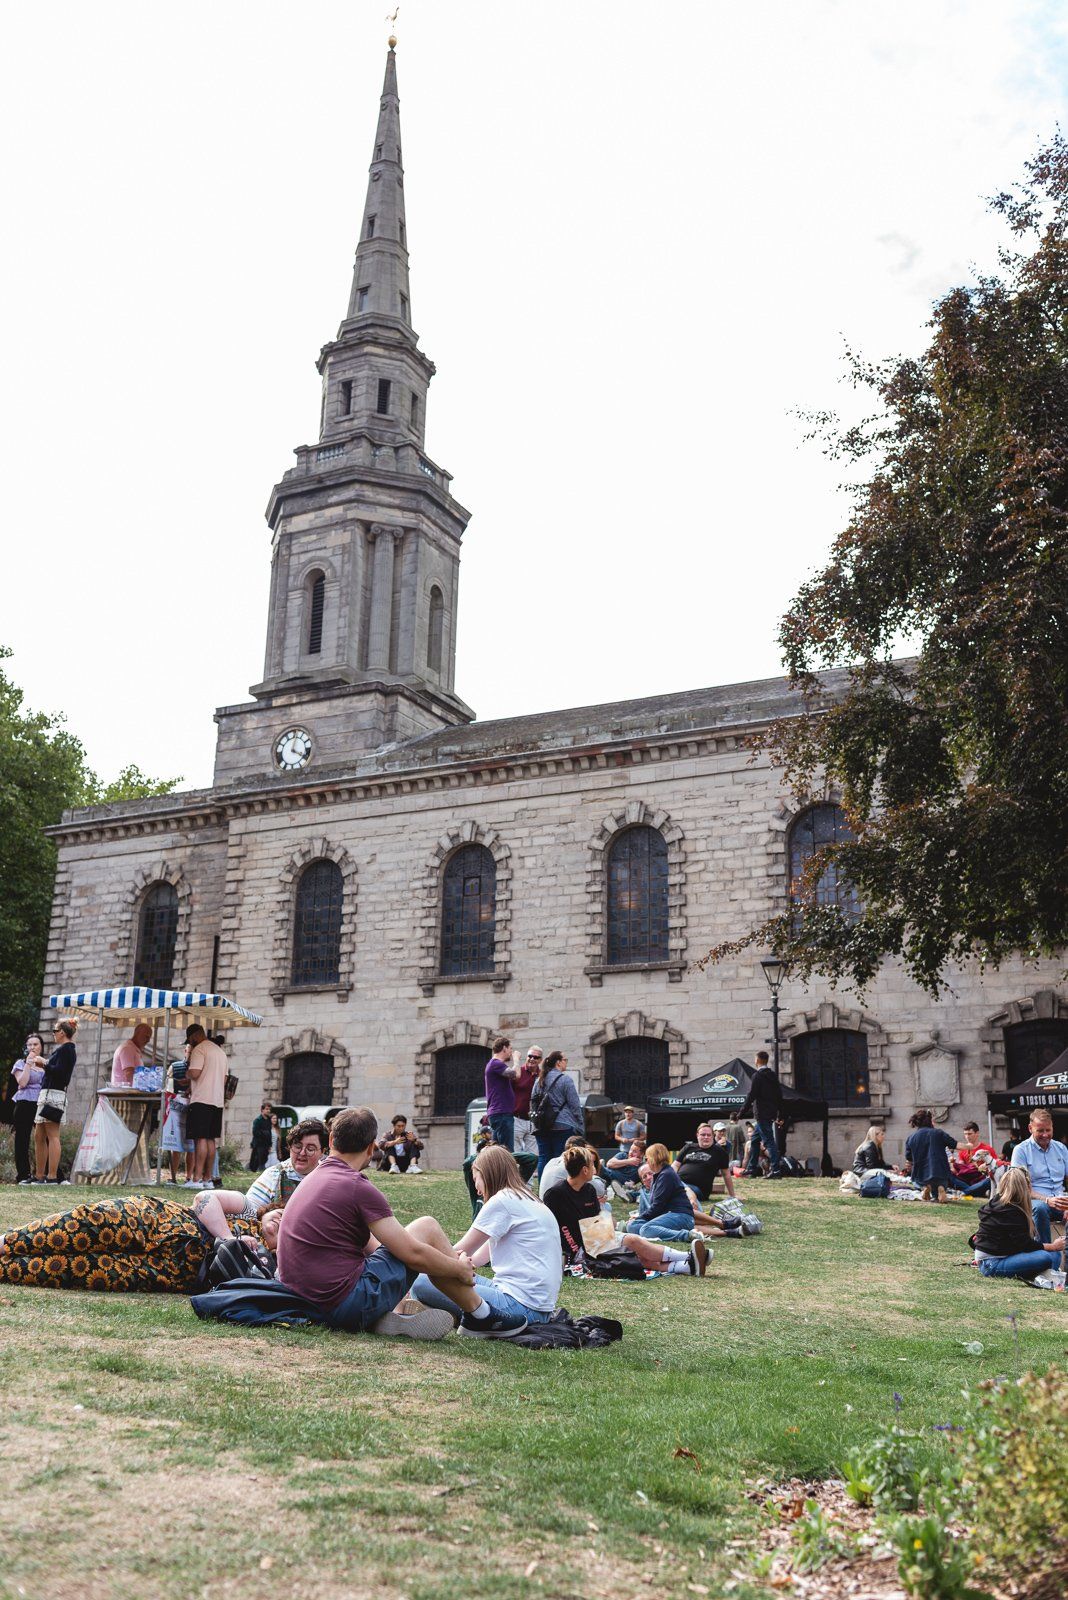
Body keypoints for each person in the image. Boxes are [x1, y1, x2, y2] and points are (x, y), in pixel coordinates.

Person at [276, 1106, 475, 1340]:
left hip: (305, 1304)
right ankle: (481, 1315)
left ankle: (387, 1314)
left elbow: (376, 1246)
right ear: (371, 1147)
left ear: (330, 1140)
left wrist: (442, 1261)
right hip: (343, 1305)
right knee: (426, 1227)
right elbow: (413, 1254)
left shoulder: (313, 1179)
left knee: (408, 1246)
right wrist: (459, 1268)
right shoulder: (356, 1186)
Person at [408, 1145, 563, 1336]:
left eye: (476, 1180)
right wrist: (462, 1265)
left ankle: (442, 1313)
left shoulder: (503, 1200)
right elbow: (477, 1259)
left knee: (421, 1283)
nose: (477, 1189)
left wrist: (421, 1264)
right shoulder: (530, 1200)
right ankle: (449, 1314)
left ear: (486, 1174)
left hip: (518, 1306)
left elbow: (458, 1251)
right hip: (540, 1310)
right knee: (437, 1277)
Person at [0, 1192, 280, 1293]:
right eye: (282, 1212)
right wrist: (229, 1239)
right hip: (158, 1220)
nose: (282, 1220)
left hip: (172, 1271)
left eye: (291, 1224)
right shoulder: (247, 1209)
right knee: (87, 1222)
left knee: (80, 1270)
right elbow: (204, 1199)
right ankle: (4, 1243)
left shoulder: (278, 1264)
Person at [191, 1118, 327, 1238]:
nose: (302, 1153)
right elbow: (248, 1211)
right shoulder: (275, 1175)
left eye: (310, 1149)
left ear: (323, 1152)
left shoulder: (329, 1179)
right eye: (297, 1146)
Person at [973, 1166, 1065, 1281]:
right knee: (1046, 1256)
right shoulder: (1012, 1211)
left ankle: (1046, 1276)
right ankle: (1045, 1277)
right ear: (1025, 1187)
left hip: (1003, 1255)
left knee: (1054, 1254)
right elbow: (1025, 1245)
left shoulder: (998, 1202)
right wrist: (1053, 1246)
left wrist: (1052, 1249)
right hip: (992, 1263)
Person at [1010, 1110, 1068, 1244]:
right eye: (1040, 1130)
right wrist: (1047, 1200)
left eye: (1048, 1130)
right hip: (1035, 1201)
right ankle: (1044, 1250)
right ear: (1030, 1128)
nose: (1045, 1134)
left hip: (1061, 1200)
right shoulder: (1021, 1150)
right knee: (1040, 1208)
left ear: (1052, 1127)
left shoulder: (1061, 1148)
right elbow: (1020, 1188)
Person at [33, 1018, 78, 1184]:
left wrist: (44, 1064)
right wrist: (44, 1064)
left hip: (54, 1094)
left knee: (52, 1135)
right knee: (39, 1135)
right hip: (47, 1093)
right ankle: (39, 1175)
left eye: (55, 1031)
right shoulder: (63, 1050)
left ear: (62, 1033)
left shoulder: (68, 1050)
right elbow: (57, 1070)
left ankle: (52, 1176)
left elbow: (62, 1075)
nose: (53, 1034)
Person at [542, 1145, 605, 1263]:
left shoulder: (590, 1190)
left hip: (591, 1245)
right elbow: (555, 1230)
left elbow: (595, 1222)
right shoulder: (555, 1194)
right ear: (585, 1170)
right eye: (592, 1165)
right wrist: (577, 1251)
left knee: (631, 1242)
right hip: (569, 1252)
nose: (595, 1169)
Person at [185, 1024, 227, 1187]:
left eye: (190, 1039)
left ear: (194, 1036)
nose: (190, 1043)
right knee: (210, 1139)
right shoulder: (220, 1052)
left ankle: (196, 1179)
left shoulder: (199, 1049)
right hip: (217, 1100)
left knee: (200, 1139)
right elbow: (224, 1079)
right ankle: (207, 1179)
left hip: (201, 1099)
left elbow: (195, 1073)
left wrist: (187, 1073)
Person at [530, 1050, 583, 1179]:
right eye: (565, 1060)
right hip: (563, 1124)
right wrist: (580, 1123)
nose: (566, 1063)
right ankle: (559, 1186)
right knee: (561, 1158)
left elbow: (532, 1101)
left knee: (543, 1158)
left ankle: (544, 1187)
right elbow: (575, 1105)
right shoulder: (565, 1080)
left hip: (542, 1125)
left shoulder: (539, 1080)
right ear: (558, 1062)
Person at [741, 1051, 785, 1178]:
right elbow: (779, 1096)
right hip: (770, 1113)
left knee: (769, 1141)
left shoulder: (757, 1076)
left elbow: (751, 1095)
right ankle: (752, 1168)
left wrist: (741, 1112)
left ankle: (776, 1169)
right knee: (755, 1141)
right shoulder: (773, 1076)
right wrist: (780, 1114)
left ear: (757, 1060)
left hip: (761, 1114)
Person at [11, 1034, 45, 1185]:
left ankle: (44, 1174)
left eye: (35, 1044)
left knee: (44, 1138)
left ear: (41, 1047)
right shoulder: (20, 1063)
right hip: (24, 1103)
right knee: (22, 1140)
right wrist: (28, 1064)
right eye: (29, 1045)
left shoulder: (45, 1064)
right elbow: (23, 1083)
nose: (32, 1047)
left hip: (40, 1103)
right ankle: (23, 1174)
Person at [903, 1108, 956, 1202]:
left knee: (916, 1182)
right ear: (930, 1121)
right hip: (940, 1172)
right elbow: (954, 1144)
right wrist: (969, 1146)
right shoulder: (938, 1133)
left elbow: (909, 1157)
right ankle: (941, 1189)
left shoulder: (911, 1137)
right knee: (941, 1183)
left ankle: (925, 1188)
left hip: (921, 1174)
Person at [673, 1122, 735, 1200]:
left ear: (713, 1136)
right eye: (703, 1135)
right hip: (679, 1183)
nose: (706, 1137)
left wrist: (732, 1196)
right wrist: (670, 1178)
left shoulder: (720, 1152)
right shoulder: (688, 1147)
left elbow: (726, 1175)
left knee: (679, 1190)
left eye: (709, 1135)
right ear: (697, 1135)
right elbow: (675, 1165)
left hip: (697, 1189)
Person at [484, 1036, 519, 1152]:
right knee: (507, 1151)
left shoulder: (494, 1064)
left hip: (499, 1113)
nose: (511, 1052)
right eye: (510, 1048)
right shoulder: (496, 1064)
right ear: (504, 1048)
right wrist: (516, 1060)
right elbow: (514, 1074)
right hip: (501, 1113)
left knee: (497, 1151)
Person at [512, 1046, 542, 1158]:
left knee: (533, 1157)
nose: (532, 1059)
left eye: (536, 1057)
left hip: (534, 1121)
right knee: (515, 1155)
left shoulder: (542, 1075)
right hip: (516, 1119)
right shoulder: (518, 1072)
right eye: (530, 1056)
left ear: (540, 1060)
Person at [111, 1023, 153, 1088]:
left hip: (129, 1091)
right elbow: (129, 1075)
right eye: (146, 1037)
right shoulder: (127, 1049)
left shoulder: (133, 1049)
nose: (148, 1040)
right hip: (124, 1092)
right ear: (137, 1034)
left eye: (149, 1038)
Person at [249, 1101, 273, 1170]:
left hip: (266, 1144)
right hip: (259, 1144)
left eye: (269, 1109)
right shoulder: (258, 1120)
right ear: (262, 1110)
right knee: (258, 1161)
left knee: (265, 1159)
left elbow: (269, 1132)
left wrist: (270, 1144)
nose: (268, 1111)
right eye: (266, 1109)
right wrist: (264, 1133)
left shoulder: (268, 1120)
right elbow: (255, 1132)